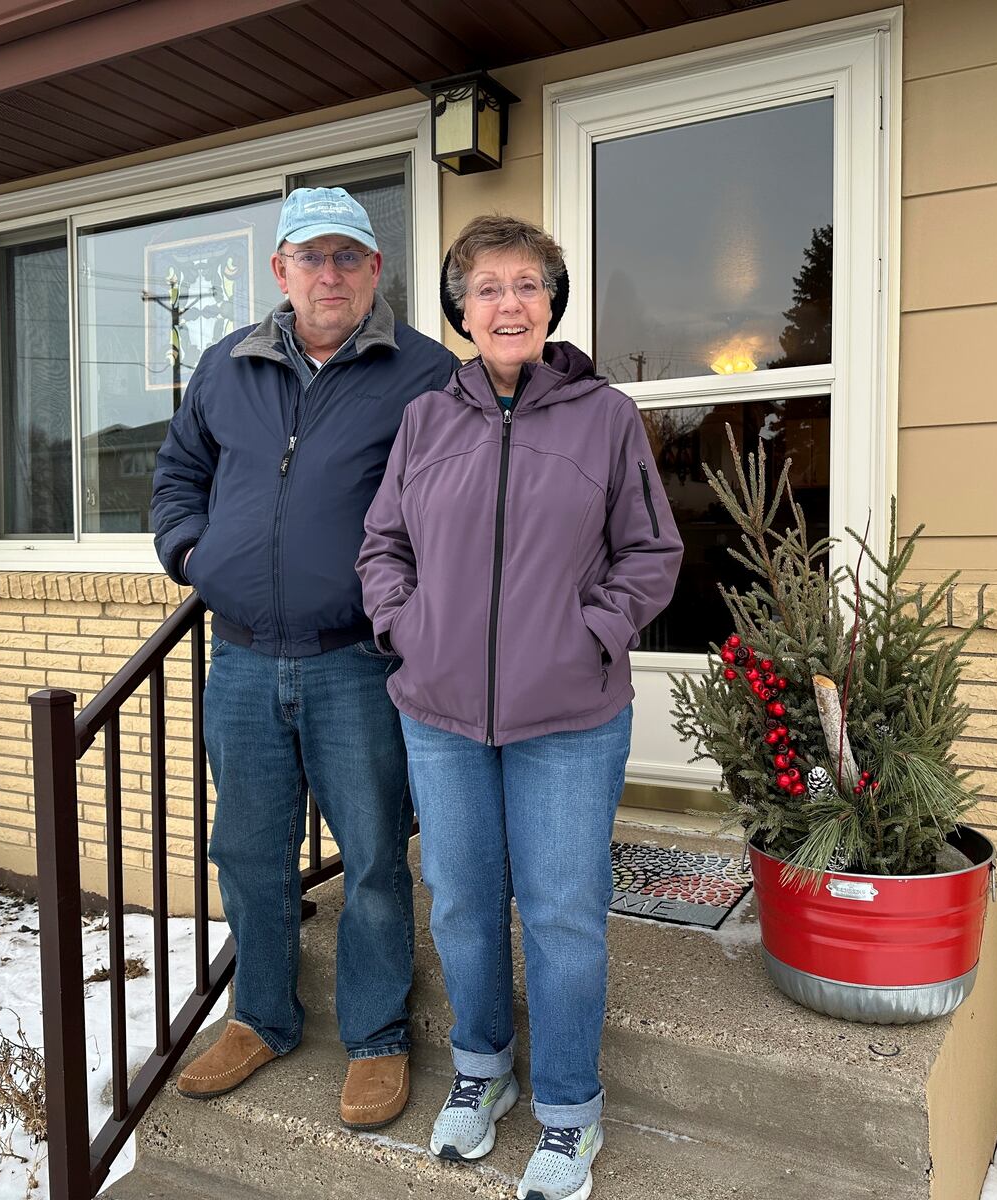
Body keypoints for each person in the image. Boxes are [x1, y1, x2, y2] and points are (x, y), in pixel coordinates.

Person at [358, 215, 682, 1200]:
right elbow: (383, 547)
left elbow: (650, 552)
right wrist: (405, 628)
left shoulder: (604, 417)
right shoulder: (426, 421)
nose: (508, 303)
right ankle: (482, 1069)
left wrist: (590, 631)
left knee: (562, 915)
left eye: (527, 285)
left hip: (570, 718)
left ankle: (570, 1113)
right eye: (487, 287)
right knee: (457, 902)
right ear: (461, 310)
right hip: (439, 711)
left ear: (551, 304)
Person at [151, 187, 456, 1130]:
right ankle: (261, 1017)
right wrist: (193, 553)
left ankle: (374, 1038)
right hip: (241, 659)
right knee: (247, 850)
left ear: (375, 271)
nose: (330, 275)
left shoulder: (424, 374)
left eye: (349, 258)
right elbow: (177, 475)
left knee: (369, 857)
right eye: (310, 258)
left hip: (355, 661)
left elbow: (447, 511)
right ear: (280, 271)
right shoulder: (225, 365)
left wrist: (402, 609)